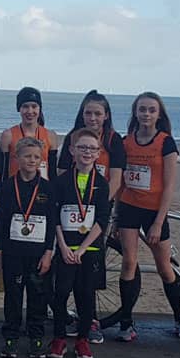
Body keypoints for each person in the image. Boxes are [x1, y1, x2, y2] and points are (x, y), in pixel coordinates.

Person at [116, 92, 180, 341]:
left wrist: (159, 222)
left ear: (159, 114)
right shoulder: (127, 141)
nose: (146, 114)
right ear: (135, 112)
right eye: (142, 109)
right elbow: (121, 181)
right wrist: (117, 215)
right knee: (128, 263)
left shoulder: (166, 142)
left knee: (163, 268)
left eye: (151, 110)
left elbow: (169, 187)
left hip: (154, 212)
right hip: (129, 207)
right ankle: (126, 323)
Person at [57, 89, 126, 343]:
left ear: (106, 115)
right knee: (66, 271)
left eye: (98, 113)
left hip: (98, 208)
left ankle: (91, 321)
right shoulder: (71, 139)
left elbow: (116, 179)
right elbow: (62, 173)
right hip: (70, 209)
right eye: (88, 112)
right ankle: (65, 322)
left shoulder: (114, 141)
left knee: (91, 272)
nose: (93, 117)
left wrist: (97, 207)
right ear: (81, 114)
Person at [48, 129, 110, 358]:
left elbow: (102, 219)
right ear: (72, 150)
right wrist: (63, 247)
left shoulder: (102, 184)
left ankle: (83, 339)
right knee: (61, 293)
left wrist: (82, 249)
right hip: (65, 249)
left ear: (98, 154)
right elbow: (54, 216)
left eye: (92, 149)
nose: (87, 152)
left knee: (85, 295)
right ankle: (59, 338)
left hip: (90, 250)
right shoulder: (61, 182)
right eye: (82, 148)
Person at [0, 137, 55, 358]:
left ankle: (36, 338)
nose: (32, 160)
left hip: (38, 254)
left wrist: (49, 253)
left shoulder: (48, 188)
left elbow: (51, 223)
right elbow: (0, 222)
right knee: (13, 296)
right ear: (17, 158)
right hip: (13, 252)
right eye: (27, 156)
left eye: (36, 157)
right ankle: (11, 338)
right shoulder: (7, 186)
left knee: (38, 296)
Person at [0, 87, 58, 181]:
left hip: (41, 190)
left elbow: (52, 172)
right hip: (16, 188)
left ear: (39, 109)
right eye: (25, 106)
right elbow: (3, 171)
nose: (30, 111)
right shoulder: (8, 135)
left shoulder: (50, 135)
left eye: (34, 106)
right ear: (19, 108)